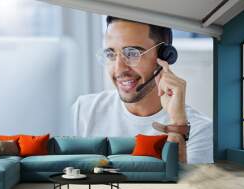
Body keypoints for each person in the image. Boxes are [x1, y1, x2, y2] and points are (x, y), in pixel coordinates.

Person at [72, 16, 213, 164]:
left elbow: (184, 185)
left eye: (132, 53)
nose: (119, 68)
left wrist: (177, 124)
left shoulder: (200, 131)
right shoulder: (83, 111)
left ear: (165, 56)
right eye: (110, 54)